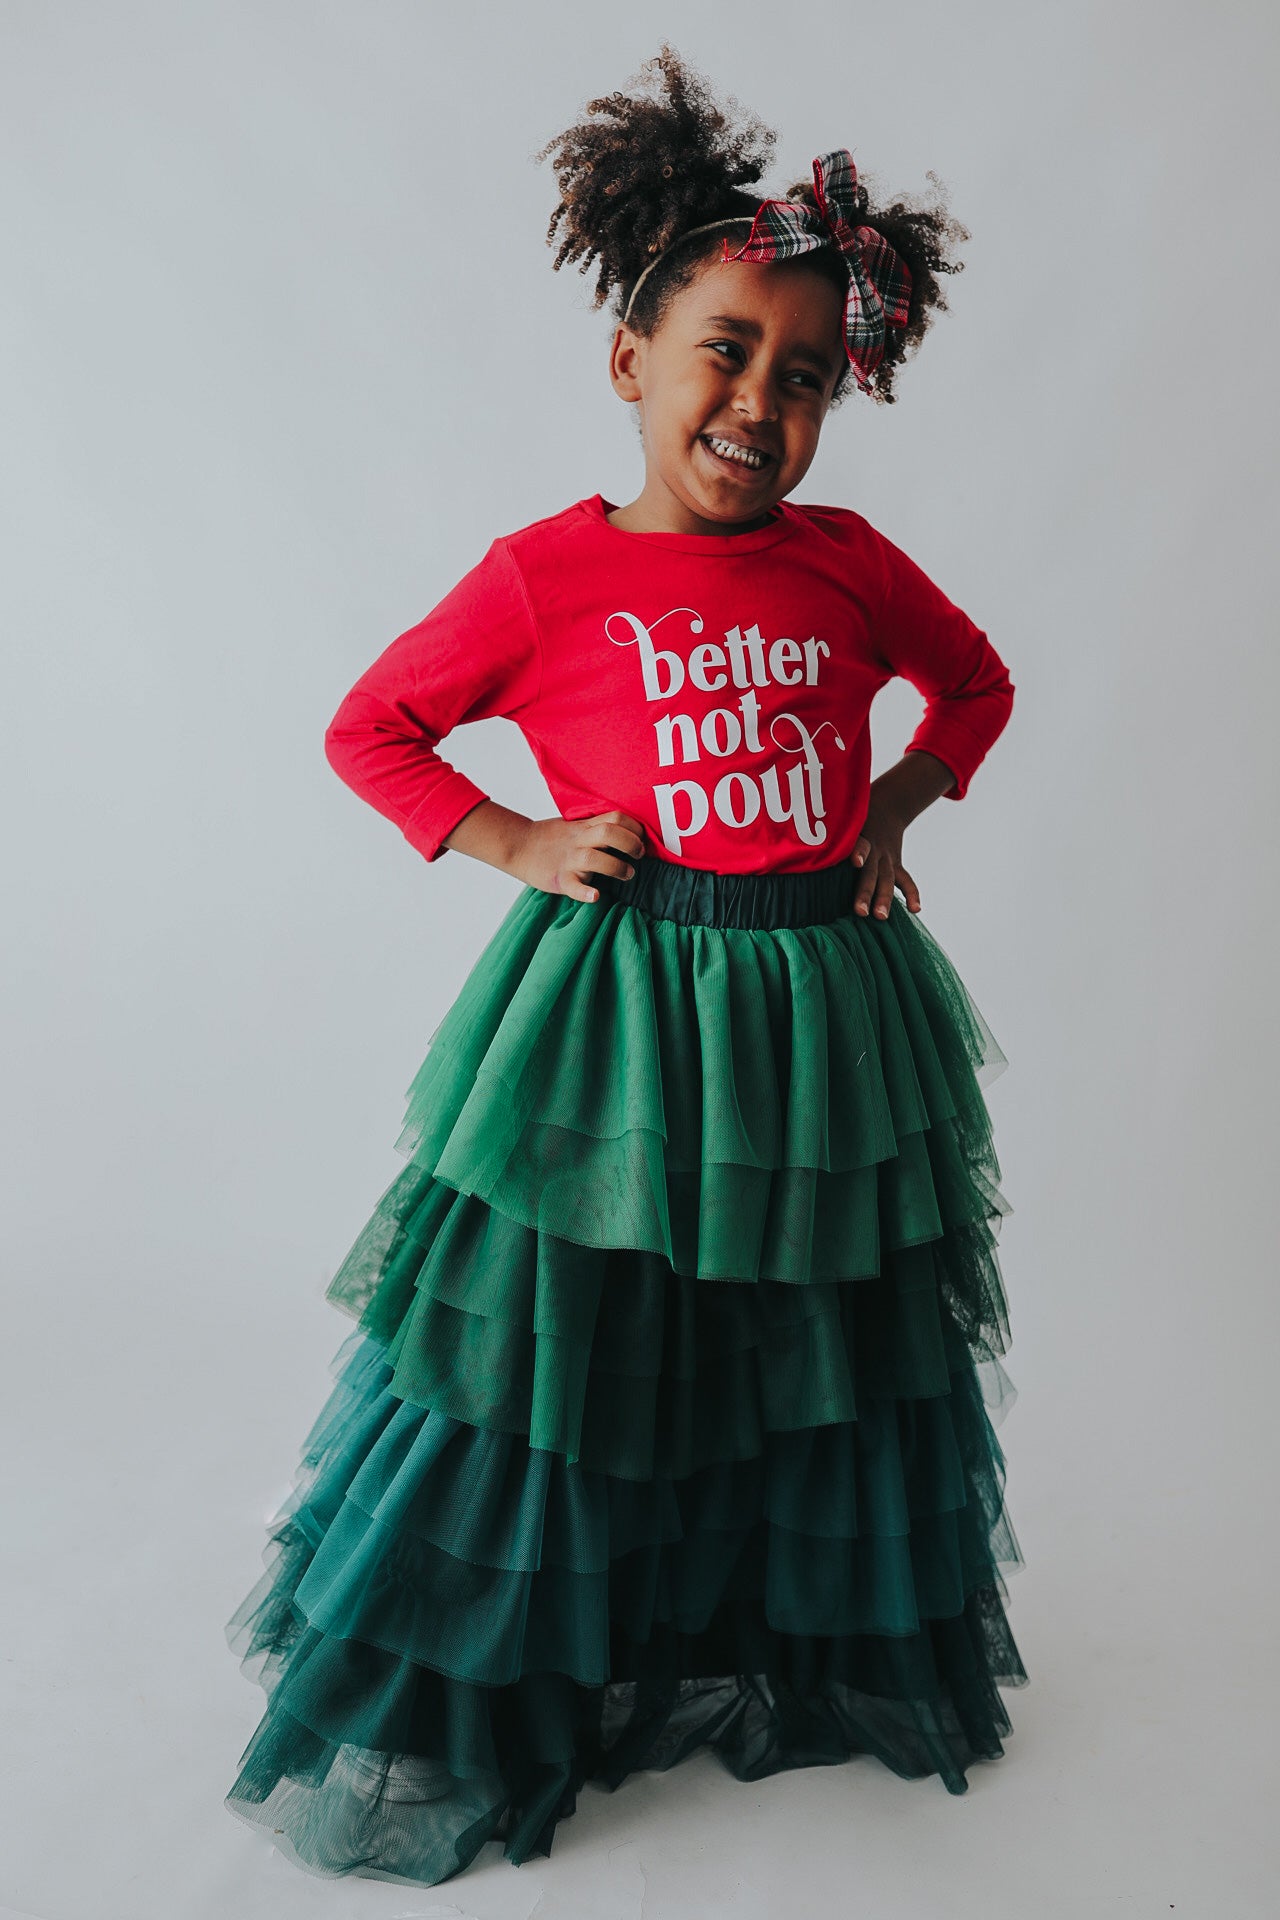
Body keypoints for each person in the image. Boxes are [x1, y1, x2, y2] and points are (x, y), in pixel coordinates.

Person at [222, 42, 1028, 1890]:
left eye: (808, 378)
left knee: (810, 1338)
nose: (762, 402)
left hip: (821, 1017)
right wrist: (510, 839)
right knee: (565, 1347)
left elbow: (976, 680)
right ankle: (503, 1686)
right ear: (633, 364)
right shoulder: (546, 577)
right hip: (618, 1018)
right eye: (727, 354)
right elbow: (375, 728)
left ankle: (756, 1637)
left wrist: (895, 810)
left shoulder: (846, 565)